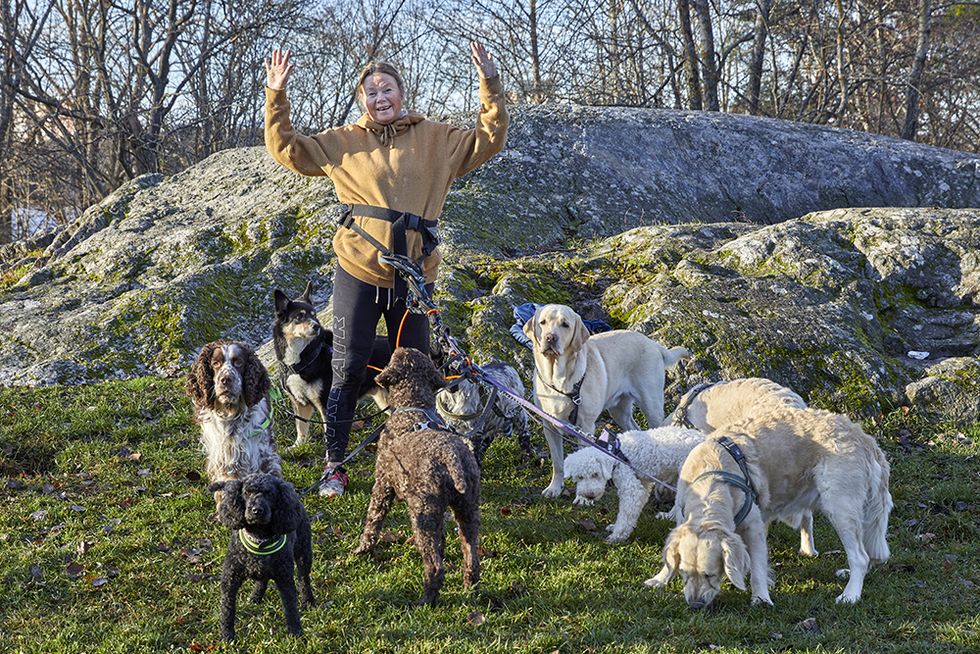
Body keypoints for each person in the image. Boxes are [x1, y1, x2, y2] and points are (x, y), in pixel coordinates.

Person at [264, 42, 508, 498]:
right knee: (347, 364)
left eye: (388, 88)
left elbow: (489, 139)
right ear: (362, 100)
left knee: (413, 370)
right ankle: (335, 465)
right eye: (371, 91)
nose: (380, 97)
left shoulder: (437, 138)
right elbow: (287, 150)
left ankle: (418, 462)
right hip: (358, 268)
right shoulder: (342, 142)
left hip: (415, 274)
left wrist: (489, 84)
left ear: (401, 93)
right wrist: (276, 95)